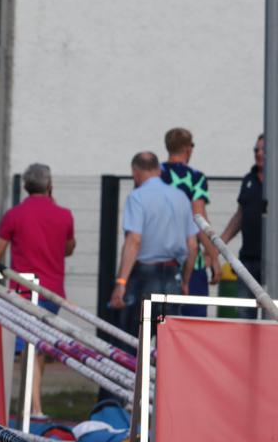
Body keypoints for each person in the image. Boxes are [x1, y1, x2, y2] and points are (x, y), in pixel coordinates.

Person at [0, 163, 75, 419]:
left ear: (25, 187)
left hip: (23, 288)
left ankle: (32, 406)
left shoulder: (15, 215)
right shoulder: (64, 215)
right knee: (37, 349)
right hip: (52, 290)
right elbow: (68, 248)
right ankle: (33, 404)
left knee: (28, 347)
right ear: (50, 186)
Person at [109, 151, 198, 340]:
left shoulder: (137, 197)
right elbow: (193, 245)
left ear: (135, 172)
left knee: (135, 341)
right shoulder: (181, 197)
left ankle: (137, 370)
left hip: (144, 275)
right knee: (168, 342)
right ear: (158, 170)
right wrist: (185, 280)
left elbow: (134, 240)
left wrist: (121, 283)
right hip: (173, 273)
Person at [161, 128, 221, 316]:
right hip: (191, 261)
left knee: (159, 325)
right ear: (188, 149)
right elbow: (199, 217)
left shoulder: (155, 175)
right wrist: (214, 256)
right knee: (192, 325)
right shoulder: (195, 177)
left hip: (160, 259)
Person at [220, 134, 265, 318]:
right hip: (248, 261)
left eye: (264, 150)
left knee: (273, 313)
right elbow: (239, 216)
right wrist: (218, 245)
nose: (259, 154)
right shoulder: (249, 180)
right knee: (245, 313)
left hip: (272, 262)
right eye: (256, 150)